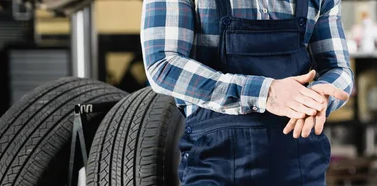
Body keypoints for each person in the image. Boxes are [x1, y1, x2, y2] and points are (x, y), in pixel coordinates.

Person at [140, 0, 354, 185]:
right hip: (217, 160)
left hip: (298, 156)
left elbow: (338, 69)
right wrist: (266, 93)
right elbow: (164, 65)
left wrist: (317, 97)